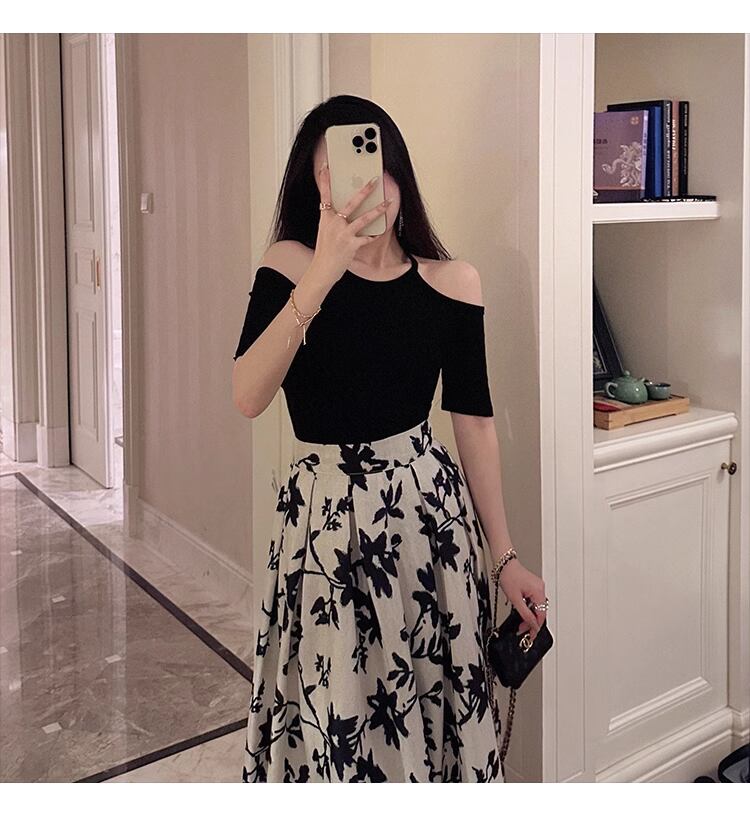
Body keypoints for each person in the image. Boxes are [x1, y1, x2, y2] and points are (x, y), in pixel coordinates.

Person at [231, 94, 548, 783]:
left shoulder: (453, 283)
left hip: (428, 530)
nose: (362, 186)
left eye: (374, 165)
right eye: (337, 173)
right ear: (314, 189)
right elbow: (248, 394)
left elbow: (474, 421)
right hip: (324, 534)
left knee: (435, 712)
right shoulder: (290, 267)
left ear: (398, 172)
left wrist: (506, 558)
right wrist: (324, 271)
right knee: (337, 719)